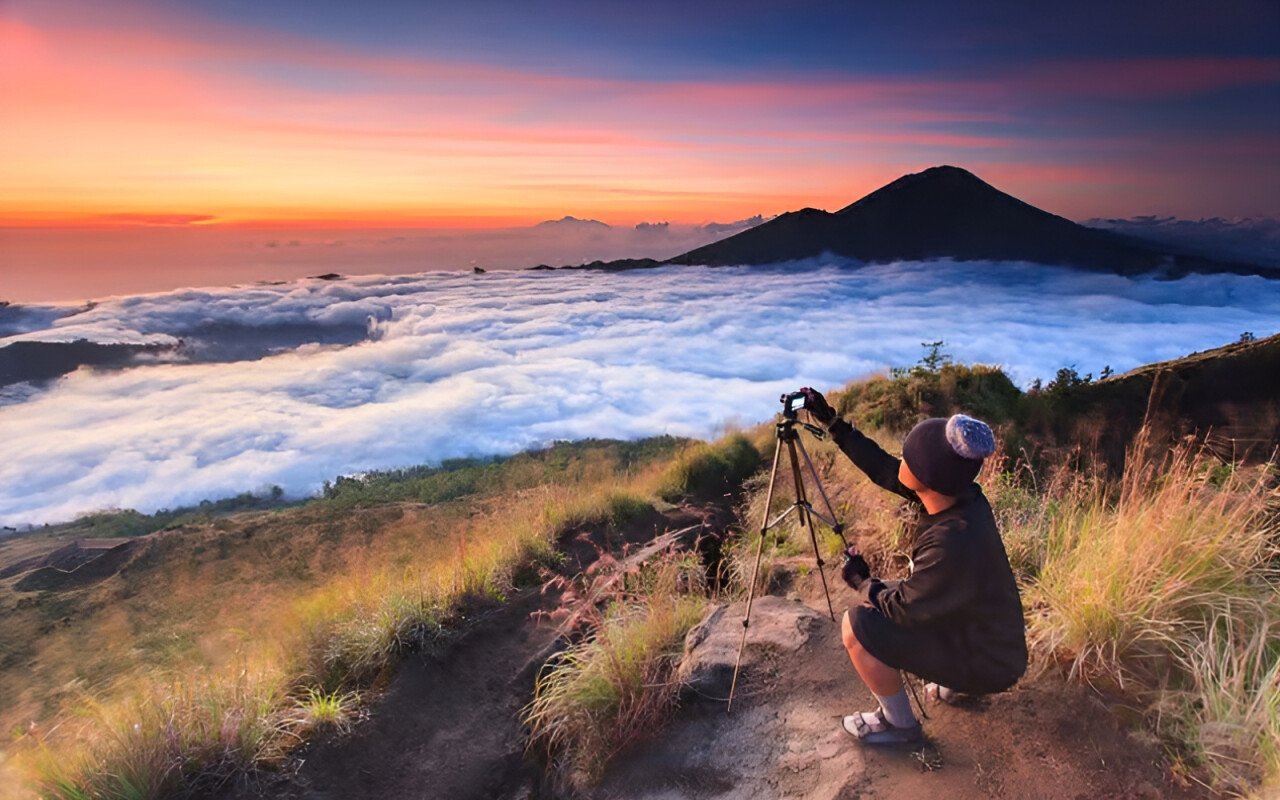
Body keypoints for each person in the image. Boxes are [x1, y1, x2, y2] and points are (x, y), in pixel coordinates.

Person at [799, 388, 1027, 745]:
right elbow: (883, 468)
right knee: (891, 592)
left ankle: (899, 726)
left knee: (858, 624)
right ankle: (954, 686)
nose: (899, 462)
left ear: (928, 477)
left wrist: (861, 581)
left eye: (907, 458)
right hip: (991, 640)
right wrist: (833, 423)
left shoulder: (952, 541)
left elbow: (905, 609)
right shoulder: (959, 497)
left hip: (990, 663)